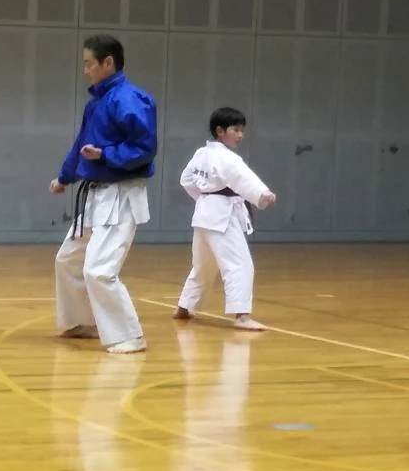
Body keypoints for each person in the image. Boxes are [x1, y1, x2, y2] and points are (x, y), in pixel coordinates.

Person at [50, 34, 156, 354]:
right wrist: (64, 177)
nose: (85, 70)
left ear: (107, 63)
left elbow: (145, 147)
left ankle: (129, 336)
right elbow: (81, 146)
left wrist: (107, 155)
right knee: (68, 260)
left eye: (89, 64)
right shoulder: (96, 103)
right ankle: (84, 321)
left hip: (121, 195)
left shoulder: (130, 99)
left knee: (99, 269)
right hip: (96, 194)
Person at [174, 106, 276, 331]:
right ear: (220, 131)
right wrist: (263, 193)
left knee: (203, 266)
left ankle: (184, 306)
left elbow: (186, 179)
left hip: (203, 214)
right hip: (222, 217)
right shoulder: (227, 158)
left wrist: (205, 197)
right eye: (235, 130)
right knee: (240, 264)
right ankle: (241, 316)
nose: (240, 135)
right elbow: (243, 178)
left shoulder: (201, 154)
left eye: (242, 130)